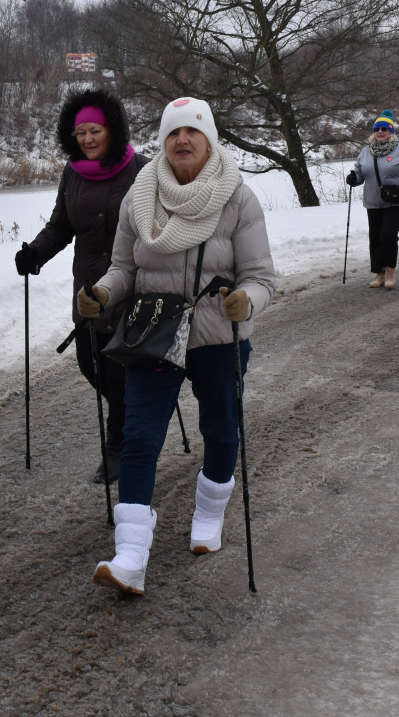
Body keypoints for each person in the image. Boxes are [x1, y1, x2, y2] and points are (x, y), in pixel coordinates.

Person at [75, 97, 275, 595]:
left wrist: (246, 301)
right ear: (163, 142)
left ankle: (209, 515)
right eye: (173, 133)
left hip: (217, 335)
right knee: (140, 436)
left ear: (209, 140)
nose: (182, 140)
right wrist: (103, 293)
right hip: (154, 333)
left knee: (221, 426)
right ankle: (130, 555)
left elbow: (261, 277)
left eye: (192, 131)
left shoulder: (237, 198)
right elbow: (124, 269)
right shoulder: (140, 196)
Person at [15, 88, 148, 485]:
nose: (88, 139)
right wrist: (35, 253)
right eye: (81, 132)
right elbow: (61, 226)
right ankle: (137, 415)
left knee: (120, 373)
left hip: (134, 288)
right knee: (92, 366)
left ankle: (119, 446)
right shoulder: (73, 173)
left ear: (112, 130)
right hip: (89, 291)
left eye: (95, 130)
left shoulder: (142, 171)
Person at [345, 109, 399, 289]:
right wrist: (354, 178)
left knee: (388, 236)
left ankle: (390, 271)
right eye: (377, 129)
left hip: (397, 201)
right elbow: (359, 173)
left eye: (384, 129)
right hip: (373, 201)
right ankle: (379, 273)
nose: (380, 132)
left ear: (391, 131)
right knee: (375, 238)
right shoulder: (366, 151)